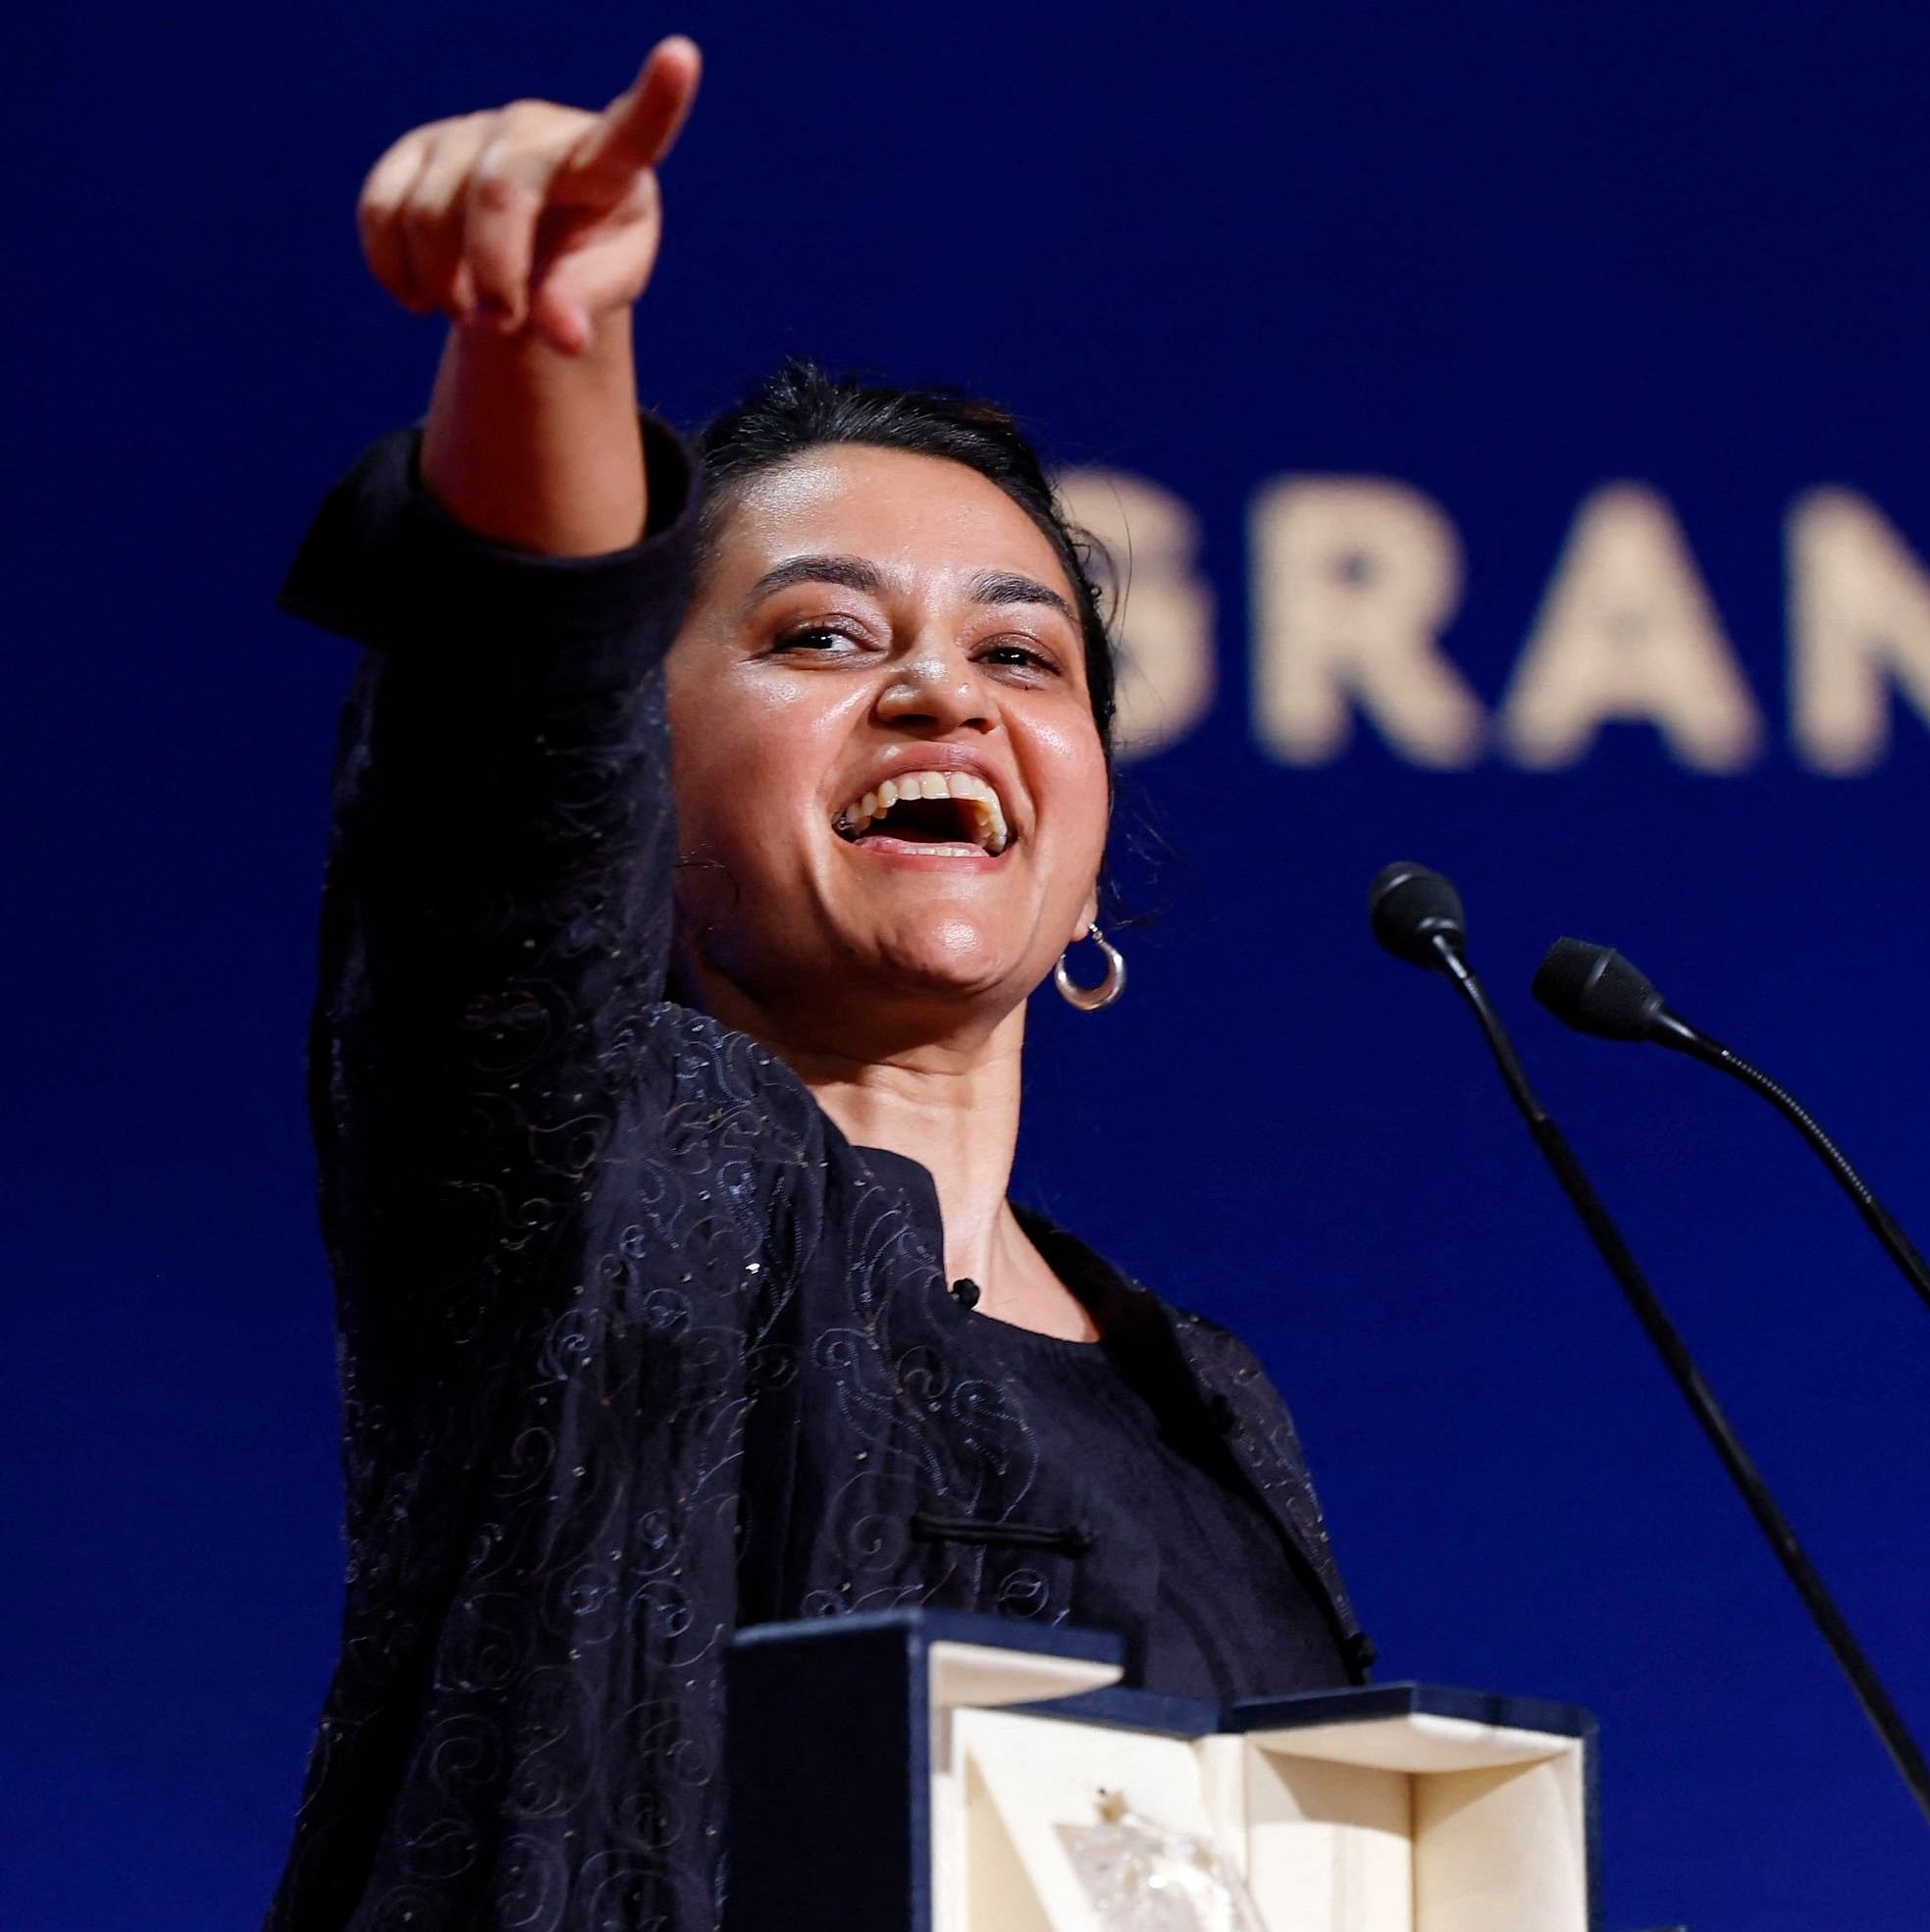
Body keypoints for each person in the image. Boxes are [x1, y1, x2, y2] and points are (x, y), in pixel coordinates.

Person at [271, 37, 1372, 1931]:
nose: (943, 691)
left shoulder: (1207, 1400)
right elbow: (503, 747)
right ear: (646, 767)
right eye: (821, 634)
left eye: (1025, 658)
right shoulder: (592, 1174)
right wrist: (548, 338)